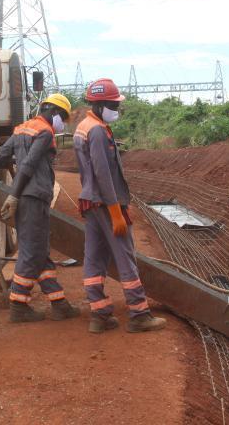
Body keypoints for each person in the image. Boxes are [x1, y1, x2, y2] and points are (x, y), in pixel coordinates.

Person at [74, 78, 166, 334]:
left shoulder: (84, 126)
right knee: (125, 256)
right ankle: (139, 314)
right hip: (105, 203)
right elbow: (103, 174)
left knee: (94, 257)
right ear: (101, 103)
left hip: (91, 202)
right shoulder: (97, 131)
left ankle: (99, 315)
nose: (118, 109)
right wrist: (116, 212)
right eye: (114, 104)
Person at [0, 93, 81, 323]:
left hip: (26, 199)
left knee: (38, 249)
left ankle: (59, 303)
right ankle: (18, 305)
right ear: (55, 113)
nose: (62, 125)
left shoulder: (21, 129)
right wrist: (14, 196)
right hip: (34, 198)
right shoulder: (45, 132)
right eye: (63, 119)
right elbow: (28, 165)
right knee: (30, 252)